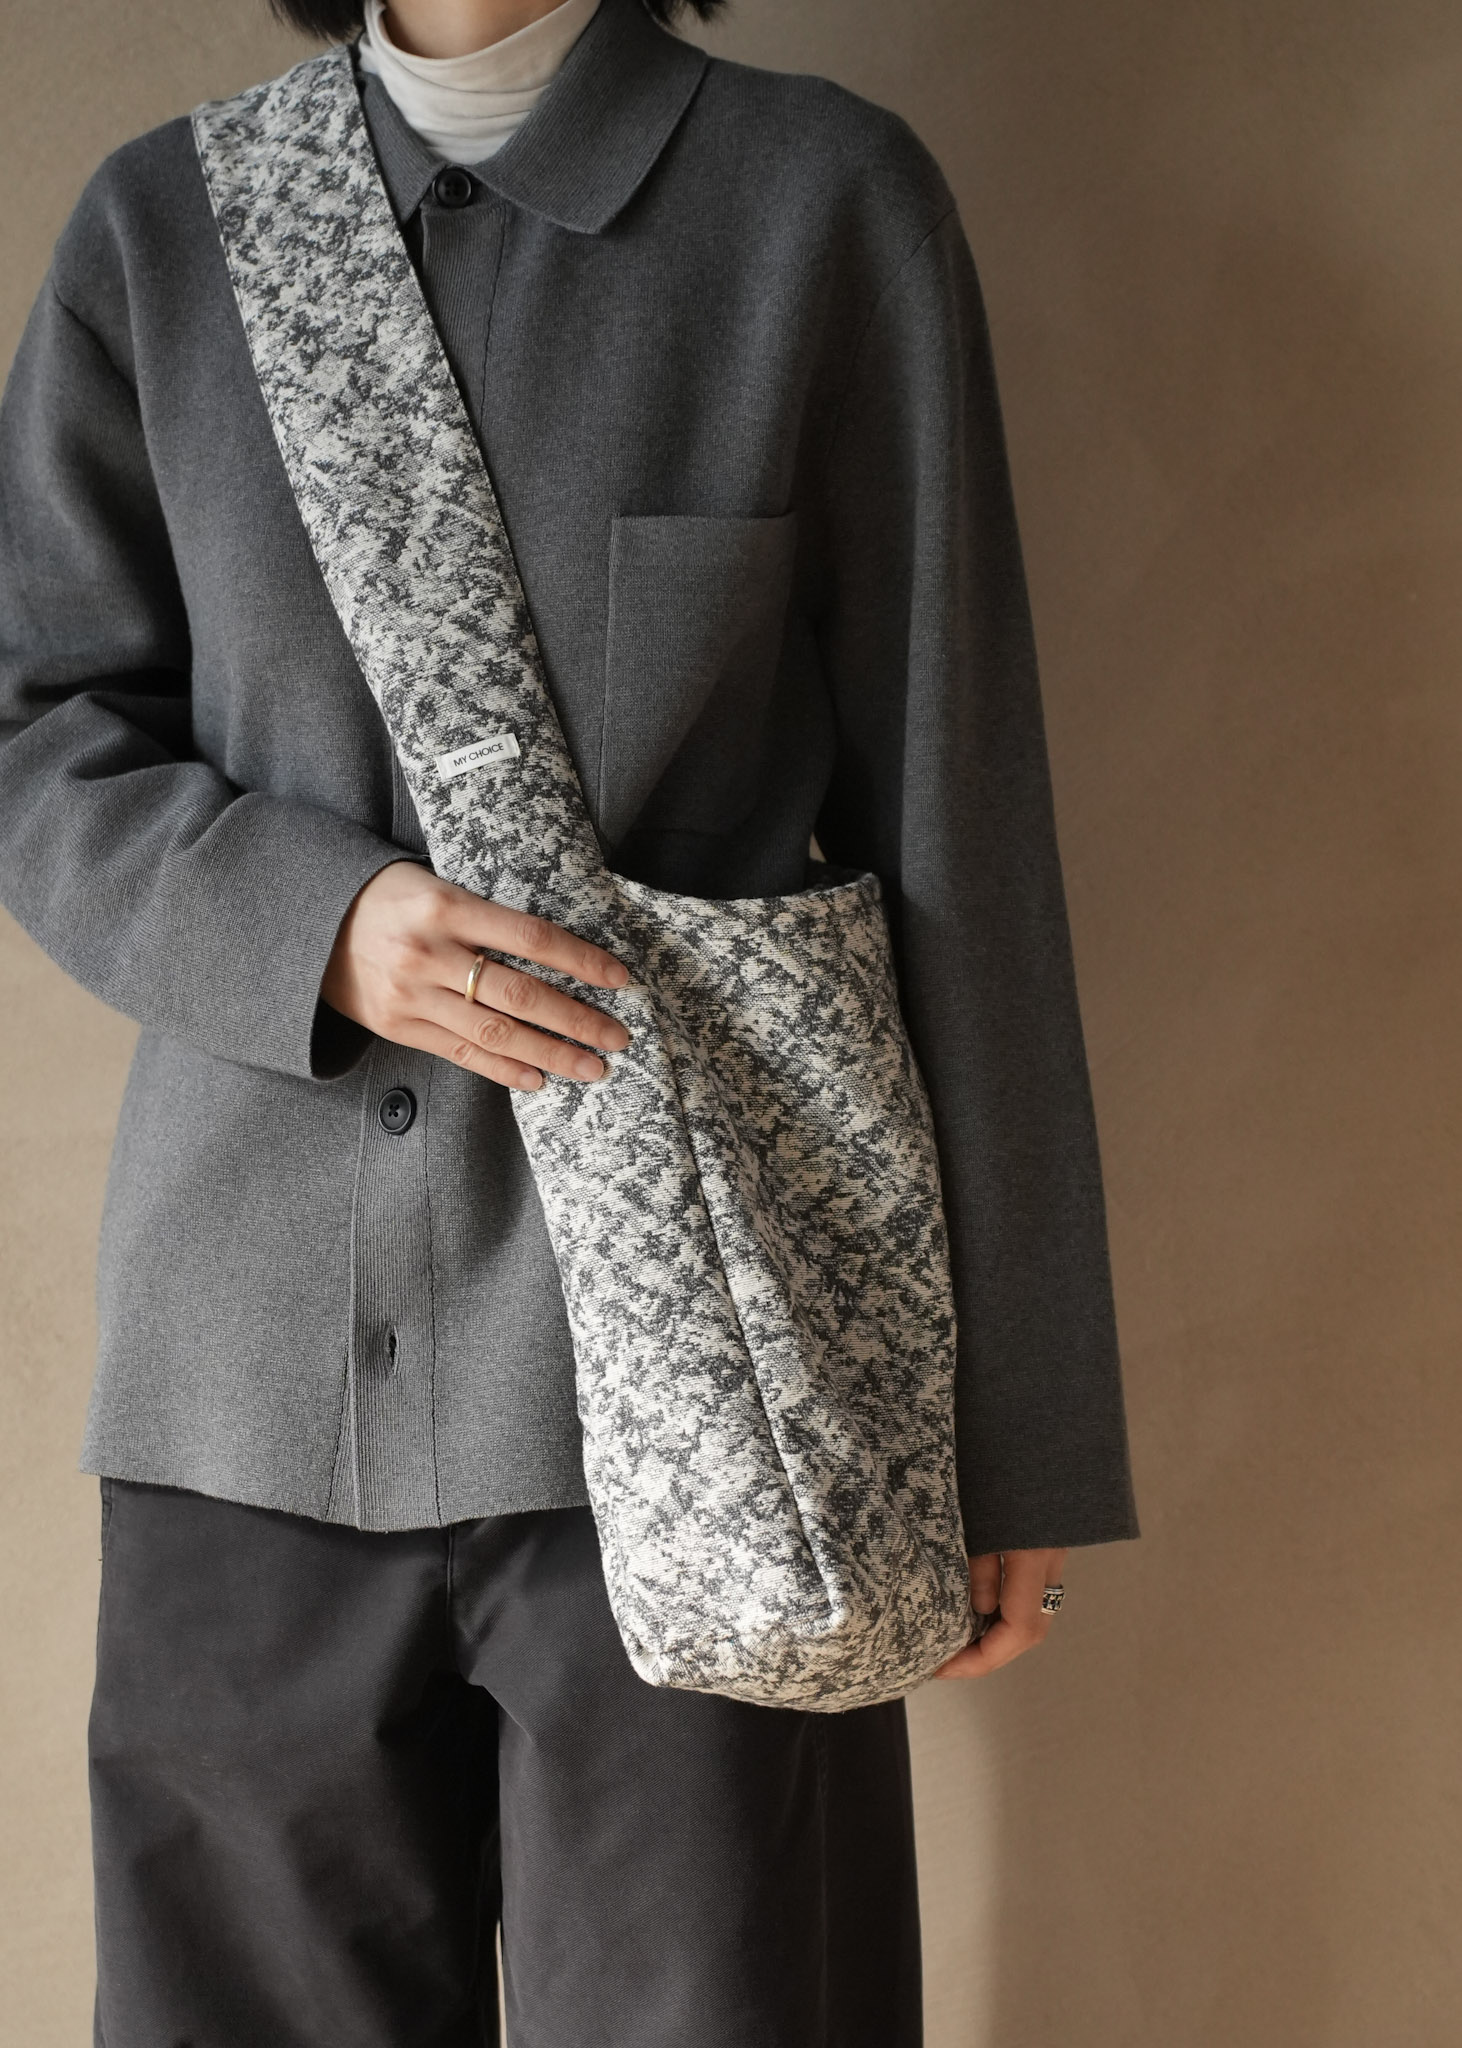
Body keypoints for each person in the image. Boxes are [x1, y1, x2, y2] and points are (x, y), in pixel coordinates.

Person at [0, 0, 1139, 2040]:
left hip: (718, 1398)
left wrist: (1017, 1436)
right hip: (242, 1394)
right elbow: (37, 727)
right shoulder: (163, 229)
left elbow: (957, 826)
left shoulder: (816, 206)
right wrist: (315, 925)